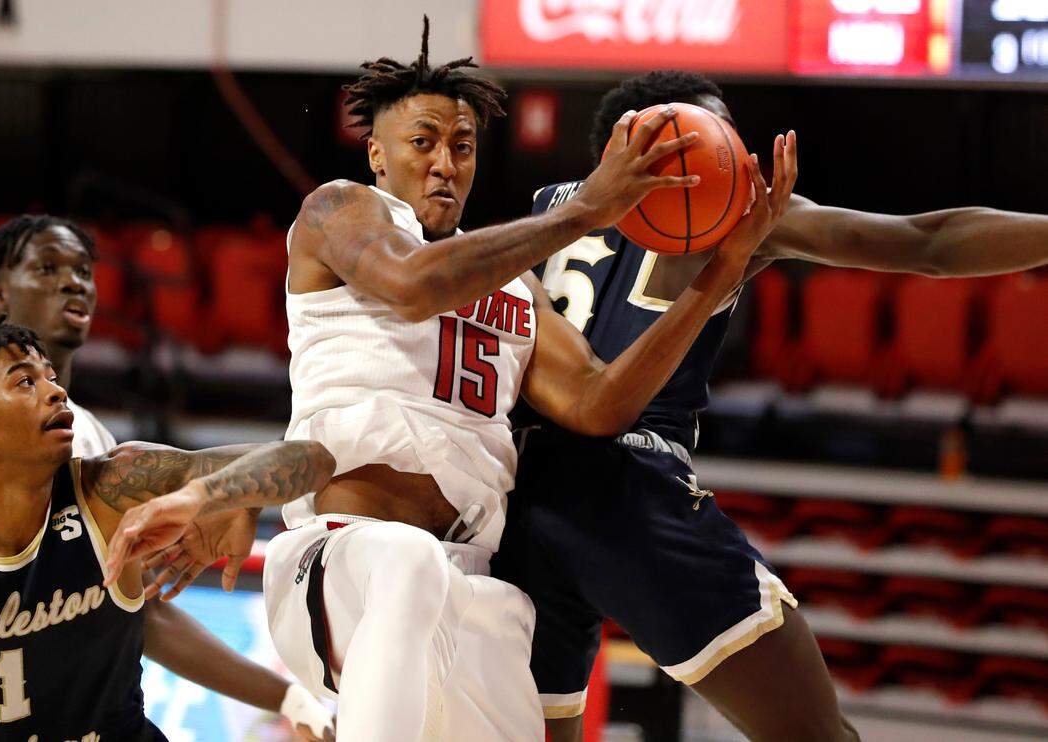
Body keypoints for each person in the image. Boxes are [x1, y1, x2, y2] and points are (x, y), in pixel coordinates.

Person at [144, 20, 796, 742]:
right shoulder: (340, 210)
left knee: (465, 601)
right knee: (405, 561)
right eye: (422, 142)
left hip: (471, 581)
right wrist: (587, 211)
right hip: (342, 559)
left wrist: (716, 280)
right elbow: (412, 285)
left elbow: (599, 403)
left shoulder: (517, 285)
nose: (444, 164)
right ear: (377, 154)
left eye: (462, 146)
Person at [492, 69, 1048, 742]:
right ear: (639, 142)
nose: (731, 154)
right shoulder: (724, 215)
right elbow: (924, 242)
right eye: (708, 132)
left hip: (520, 502)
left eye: (730, 135)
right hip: (630, 495)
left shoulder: (541, 214)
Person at [0, 216, 334, 741]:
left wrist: (229, 492)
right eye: (48, 268)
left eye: (85, 271)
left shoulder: (101, 456)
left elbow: (141, 616)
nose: (76, 283)